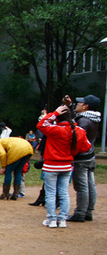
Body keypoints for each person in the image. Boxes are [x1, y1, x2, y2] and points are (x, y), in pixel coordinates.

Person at [36, 104, 91, 228]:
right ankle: (62, 219)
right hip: (66, 165)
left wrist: (54, 113)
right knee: (64, 193)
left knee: (50, 193)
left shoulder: (54, 130)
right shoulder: (78, 131)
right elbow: (86, 146)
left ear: (58, 119)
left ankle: (51, 219)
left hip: (51, 165)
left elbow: (41, 125)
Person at [68, 94, 101, 222]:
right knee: (90, 184)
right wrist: (70, 106)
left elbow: (77, 139)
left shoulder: (83, 121)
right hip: (90, 156)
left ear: (86, 106)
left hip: (81, 158)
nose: (78, 105)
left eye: (80, 103)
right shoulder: (94, 118)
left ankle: (80, 213)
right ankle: (89, 211)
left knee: (81, 186)